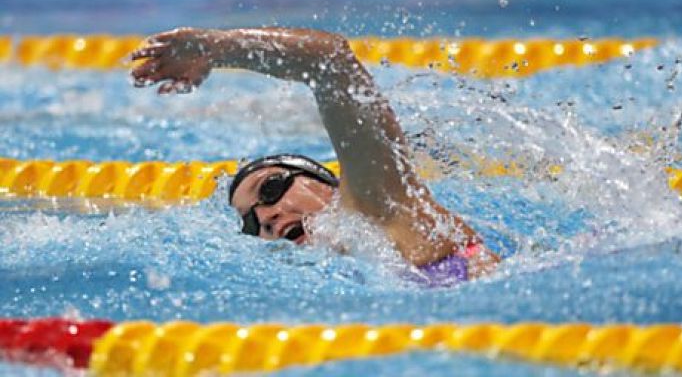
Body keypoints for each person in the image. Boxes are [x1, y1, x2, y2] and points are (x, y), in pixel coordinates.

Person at [131, 27, 499, 285]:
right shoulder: (349, 271)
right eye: (251, 224)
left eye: (272, 188)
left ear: (327, 183)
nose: (267, 218)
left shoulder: (381, 208)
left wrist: (217, 47)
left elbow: (332, 59)